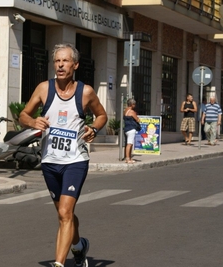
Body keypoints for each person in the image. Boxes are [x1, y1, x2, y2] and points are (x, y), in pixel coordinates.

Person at [19, 43, 107, 267]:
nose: (60, 65)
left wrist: (94, 129)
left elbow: (101, 116)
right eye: (57, 61)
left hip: (75, 161)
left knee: (66, 211)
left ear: (75, 65)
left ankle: (59, 263)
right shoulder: (43, 89)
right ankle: (79, 247)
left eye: (65, 61)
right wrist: (33, 121)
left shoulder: (85, 92)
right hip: (50, 161)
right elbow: (23, 115)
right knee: (63, 214)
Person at [123, 98, 140, 163]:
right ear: (132, 104)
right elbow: (137, 119)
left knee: (128, 143)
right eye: (134, 104)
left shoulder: (125, 111)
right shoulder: (132, 112)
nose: (135, 106)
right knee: (129, 144)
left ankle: (129, 157)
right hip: (131, 129)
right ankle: (128, 158)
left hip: (126, 128)